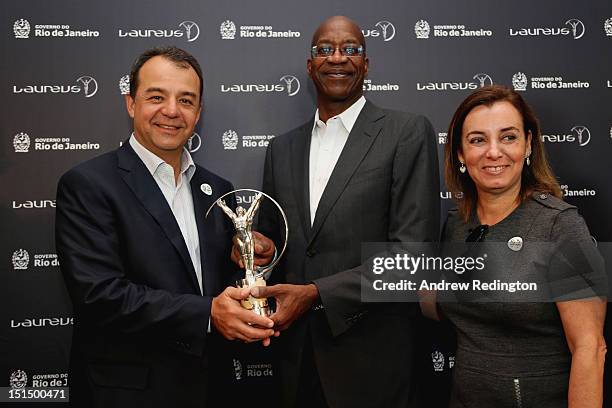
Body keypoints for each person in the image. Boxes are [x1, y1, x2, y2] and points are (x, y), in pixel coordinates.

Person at [55, 46, 275, 408]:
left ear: (198, 112)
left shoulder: (217, 190)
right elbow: (99, 296)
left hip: (211, 388)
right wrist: (207, 314)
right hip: (129, 393)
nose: (172, 111)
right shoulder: (89, 184)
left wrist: (251, 263)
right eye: (156, 96)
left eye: (186, 100)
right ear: (131, 103)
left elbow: (214, 285)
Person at [241, 16, 440, 407]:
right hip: (295, 365)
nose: (337, 58)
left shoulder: (405, 132)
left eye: (350, 49)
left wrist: (316, 294)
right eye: (324, 50)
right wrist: (254, 253)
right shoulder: (281, 149)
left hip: (373, 366)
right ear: (310, 65)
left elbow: (411, 257)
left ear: (366, 64)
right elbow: (272, 249)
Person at [439, 85, 606, 407]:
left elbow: (590, 347)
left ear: (528, 144)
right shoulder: (456, 224)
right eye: (477, 140)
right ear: (460, 153)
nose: (493, 152)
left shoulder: (560, 226)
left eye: (508, 137)